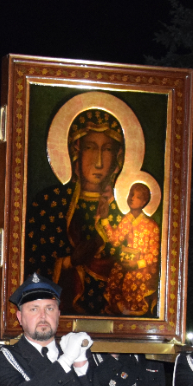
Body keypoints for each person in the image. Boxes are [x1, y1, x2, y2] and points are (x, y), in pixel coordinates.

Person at [26, 110, 125, 315]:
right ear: (75, 150)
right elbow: (34, 262)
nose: (98, 162)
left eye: (107, 150)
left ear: (118, 157)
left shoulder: (124, 210)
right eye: (90, 148)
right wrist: (68, 262)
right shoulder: (50, 203)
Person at [100, 182, 162, 317]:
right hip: (127, 262)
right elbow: (115, 240)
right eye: (130, 194)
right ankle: (117, 310)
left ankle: (131, 312)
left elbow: (154, 254)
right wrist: (105, 219)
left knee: (132, 278)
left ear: (144, 201)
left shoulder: (151, 225)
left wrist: (138, 264)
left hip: (144, 266)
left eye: (137, 196)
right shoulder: (126, 220)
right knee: (115, 274)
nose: (132, 198)